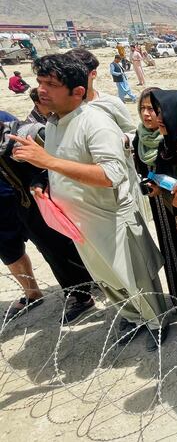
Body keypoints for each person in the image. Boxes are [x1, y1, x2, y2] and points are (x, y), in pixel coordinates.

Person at [12, 54, 168, 351]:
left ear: (78, 91)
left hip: (109, 219)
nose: (42, 90)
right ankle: (134, 318)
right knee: (108, 279)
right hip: (80, 223)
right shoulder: (56, 123)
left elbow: (112, 174)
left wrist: (49, 161)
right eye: (40, 82)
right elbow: (64, 166)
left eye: (51, 84)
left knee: (134, 278)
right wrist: (44, 181)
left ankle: (158, 323)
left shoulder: (95, 123)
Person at [0, 108, 96, 322]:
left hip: (44, 200)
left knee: (65, 246)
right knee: (50, 251)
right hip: (24, 205)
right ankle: (77, 293)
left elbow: (52, 161)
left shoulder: (21, 132)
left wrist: (39, 181)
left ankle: (85, 292)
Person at [135, 89, 177, 310]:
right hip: (168, 209)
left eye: (156, 109)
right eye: (143, 109)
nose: (152, 115)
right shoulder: (166, 144)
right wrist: (160, 191)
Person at [68, 48, 136, 134]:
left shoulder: (112, 104)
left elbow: (132, 134)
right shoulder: (61, 108)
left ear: (93, 74)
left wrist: (121, 140)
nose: (72, 79)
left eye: (77, 74)